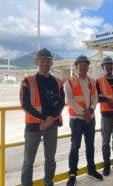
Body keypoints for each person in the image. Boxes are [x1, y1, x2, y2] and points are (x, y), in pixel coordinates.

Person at [20, 48, 65, 186]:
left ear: (52, 63)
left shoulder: (58, 82)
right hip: (33, 126)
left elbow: (61, 103)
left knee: (50, 158)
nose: (45, 63)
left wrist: (51, 119)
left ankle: (48, 183)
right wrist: (43, 119)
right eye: (42, 60)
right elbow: (25, 104)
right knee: (28, 161)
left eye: (48, 60)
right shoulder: (27, 81)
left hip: (51, 125)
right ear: (36, 62)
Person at [65, 55, 103, 186]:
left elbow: (96, 97)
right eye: (80, 65)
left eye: (85, 65)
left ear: (88, 67)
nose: (82, 67)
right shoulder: (69, 81)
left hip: (90, 119)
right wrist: (83, 113)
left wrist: (91, 110)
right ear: (76, 67)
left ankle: (91, 170)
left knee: (90, 145)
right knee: (75, 147)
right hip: (77, 120)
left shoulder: (91, 80)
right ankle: (72, 174)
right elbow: (69, 100)